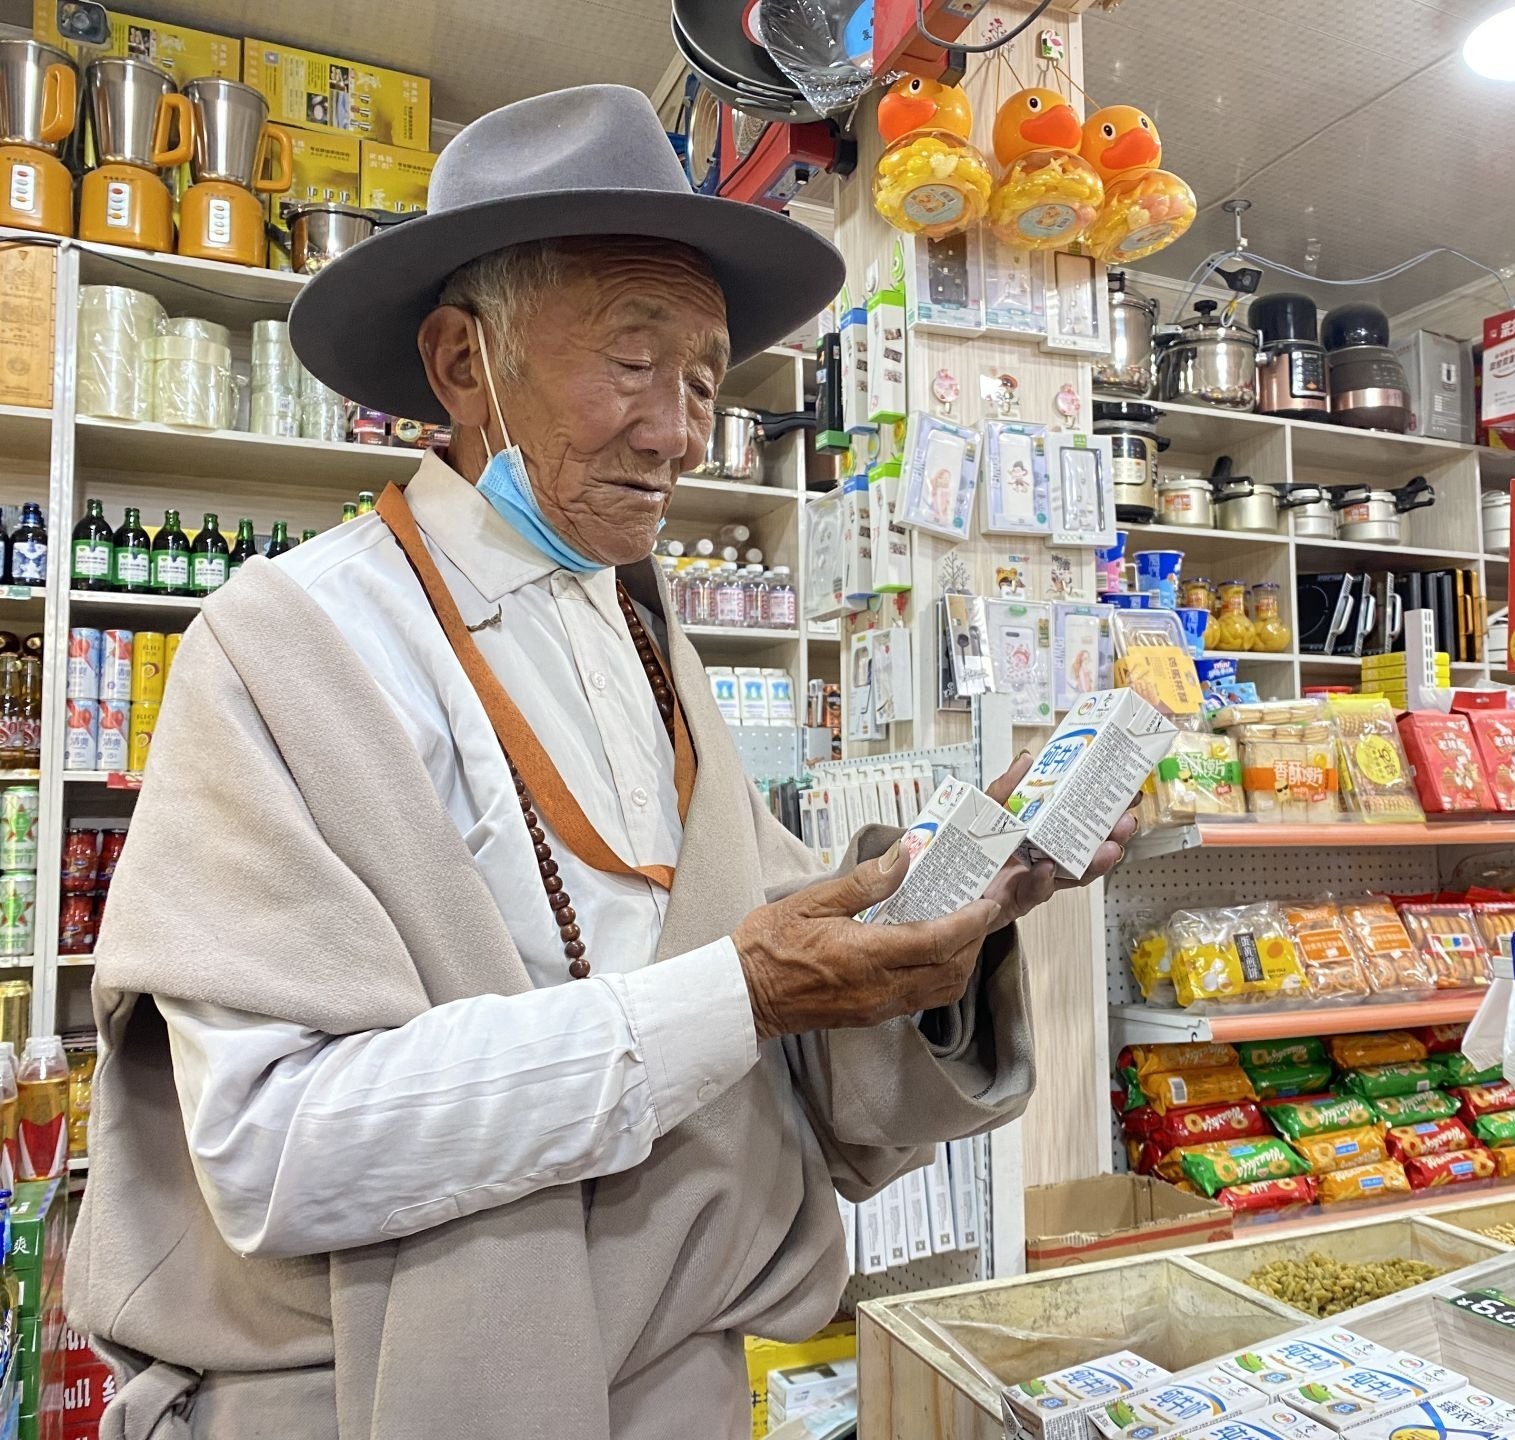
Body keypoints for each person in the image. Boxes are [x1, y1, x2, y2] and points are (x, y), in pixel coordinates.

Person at [69, 86, 1137, 1440]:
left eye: (704, 377)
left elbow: (756, 945)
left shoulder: (645, 637)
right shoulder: (289, 644)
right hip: (388, 1400)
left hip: (681, 1383)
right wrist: (739, 996)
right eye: (634, 363)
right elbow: (274, 1146)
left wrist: (969, 881)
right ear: (463, 365)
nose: (682, 430)